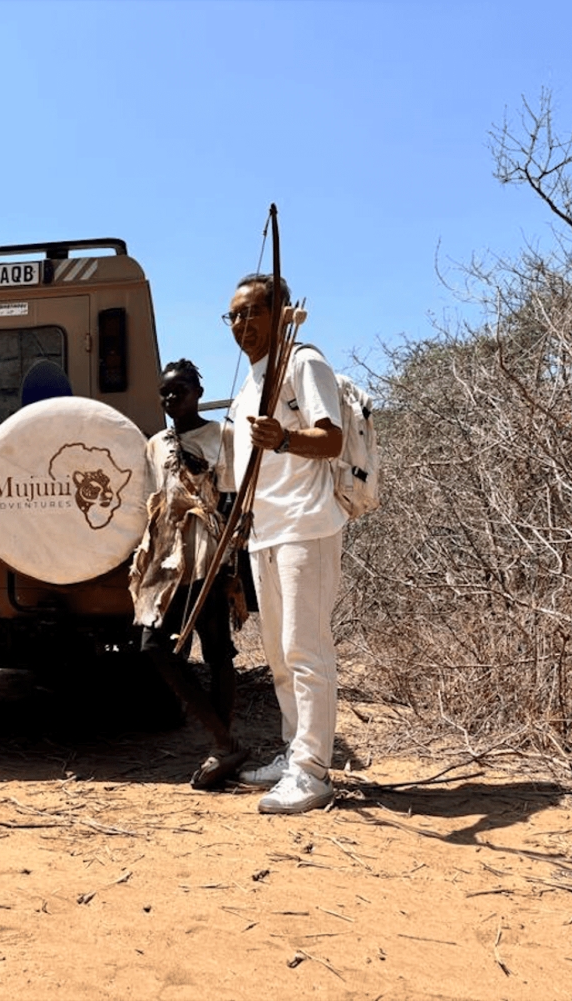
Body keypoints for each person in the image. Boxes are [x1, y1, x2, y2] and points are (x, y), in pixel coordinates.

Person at [224, 273, 347, 814]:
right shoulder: (251, 383)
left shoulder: (303, 362)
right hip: (267, 530)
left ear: (280, 312)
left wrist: (286, 439)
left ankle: (312, 773)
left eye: (251, 312)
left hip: (307, 525)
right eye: (232, 316)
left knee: (305, 649)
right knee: (277, 654)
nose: (241, 324)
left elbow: (333, 437)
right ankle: (295, 752)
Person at [130, 360, 245, 789]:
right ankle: (223, 739)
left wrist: (230, 553)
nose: (170, 399)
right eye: (164, 392)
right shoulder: (156, 443)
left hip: (208, 550)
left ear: (197, 391)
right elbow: (152, 499)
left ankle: (220, 750)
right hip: (165, 553)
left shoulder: (221, 436)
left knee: (218, 652)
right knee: (152, 643)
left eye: (178, 391)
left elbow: (232, 496)